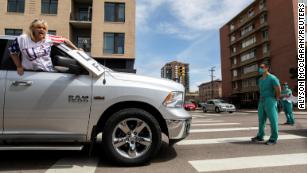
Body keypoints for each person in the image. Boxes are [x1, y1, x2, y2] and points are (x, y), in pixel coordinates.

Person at [8, 19, 80, 75]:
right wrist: (19, 66)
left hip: (47, 72)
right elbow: (13, 52)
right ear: (33, 29)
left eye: (44, 28)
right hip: (28, 73)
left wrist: (76, 49)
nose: (42, 29)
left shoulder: (49, 38)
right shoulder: (22, 39)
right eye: (39, 27)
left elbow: (65, 40)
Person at [251, 62, 281, 145]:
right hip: (261, 100)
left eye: (262, 67)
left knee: (273, 119)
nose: (260, 68)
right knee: (261, 119)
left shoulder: (272, 78)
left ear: (267, 68)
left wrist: (276, 99)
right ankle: (260, 136)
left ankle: (273, 138)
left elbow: (278, 89)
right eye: (260, 67)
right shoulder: (260, 79)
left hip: (270, 100)